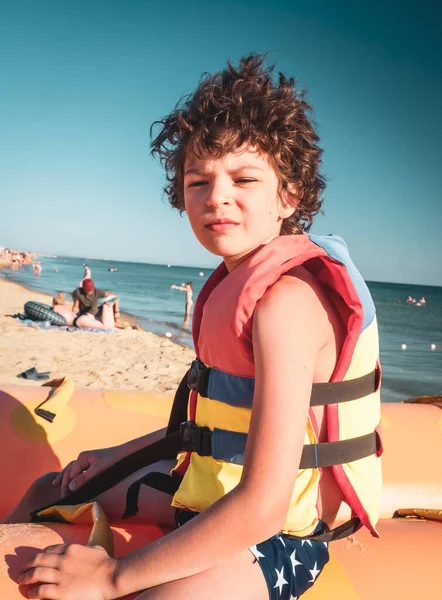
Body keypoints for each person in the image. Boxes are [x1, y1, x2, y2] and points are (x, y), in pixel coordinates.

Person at [11, 55, 382, 599]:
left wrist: (113, 577)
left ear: (290, 194)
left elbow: (262, 505)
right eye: (197, 180)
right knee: (51, 489)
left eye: (244, 178)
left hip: (279, 537)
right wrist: (118, 456)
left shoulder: (286, 305)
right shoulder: (234, 287)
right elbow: (210, 419)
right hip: (205, 488)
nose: (216, 197)